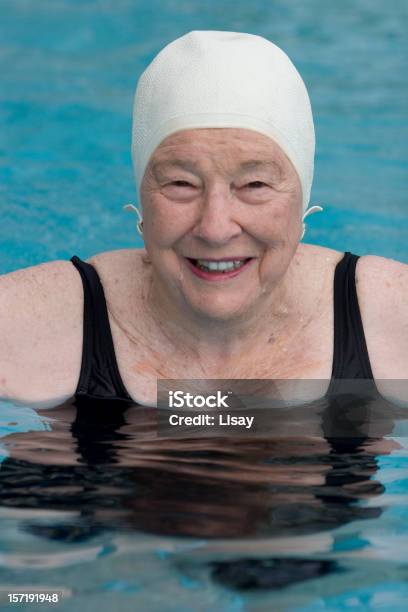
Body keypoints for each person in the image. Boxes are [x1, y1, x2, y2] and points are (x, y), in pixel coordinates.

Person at [0, 30, 407, 409]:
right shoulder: (27, 330)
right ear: (141, 198)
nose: (215, 228)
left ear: (302, 201)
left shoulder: (391, 324)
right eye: (181, 183)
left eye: (254, 184)